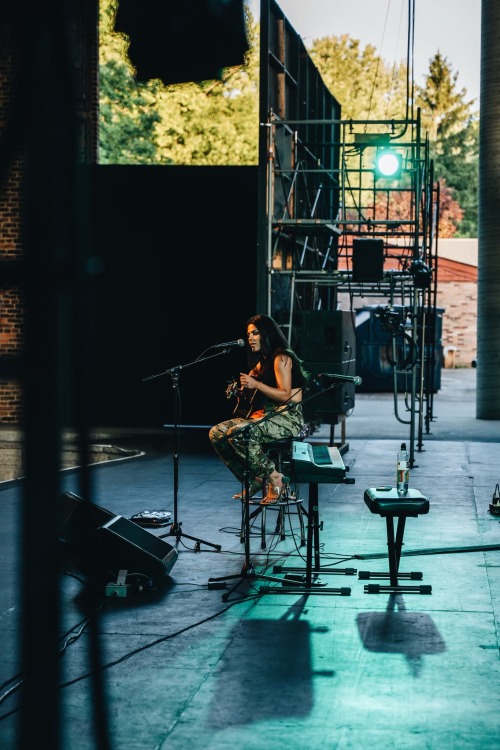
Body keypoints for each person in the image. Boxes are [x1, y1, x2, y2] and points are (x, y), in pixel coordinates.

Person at [209, 314, 309, 504]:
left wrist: (255, 384)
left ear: (266, 333)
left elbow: (285, 395)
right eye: (248, 335)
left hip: (287, 419)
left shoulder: (281, 358)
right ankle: (253, 479)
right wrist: (239, 392)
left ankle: (274, 476)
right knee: (217, 433)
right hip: (267, 415)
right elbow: (253, 395)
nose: (250, 338)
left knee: (239, 433)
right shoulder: (261, 363)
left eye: (255, 333)